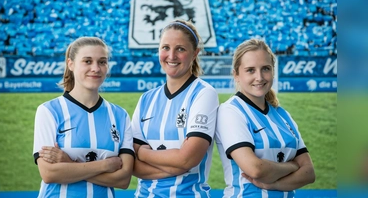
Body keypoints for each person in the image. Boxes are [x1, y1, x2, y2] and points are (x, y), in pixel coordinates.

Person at [32, 37, 135, 198]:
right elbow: (49, 173)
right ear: (70, 64)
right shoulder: (49, 111)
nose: (96, 68)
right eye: (87, 61)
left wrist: (69, 165)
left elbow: (123, 180)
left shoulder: (120, 116)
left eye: (102, 62)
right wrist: (106, 165)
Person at [215, 39, 315, 198]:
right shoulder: (230, 111)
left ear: (273, 71)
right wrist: (293, 166)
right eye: (250, 70)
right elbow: (256, 169)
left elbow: (309, 173)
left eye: (265, 69)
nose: (259, 77)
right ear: (236, 75)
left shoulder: (283, 115)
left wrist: (273, 184)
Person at [131, 19, 219, 197]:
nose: (171, 56)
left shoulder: (203, 94)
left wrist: (143, 152)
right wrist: (177, 165)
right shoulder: (146, 99)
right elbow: (131, 164)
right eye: (165, 47)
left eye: (180, 49)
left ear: (195, 53)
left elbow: (187, 159)